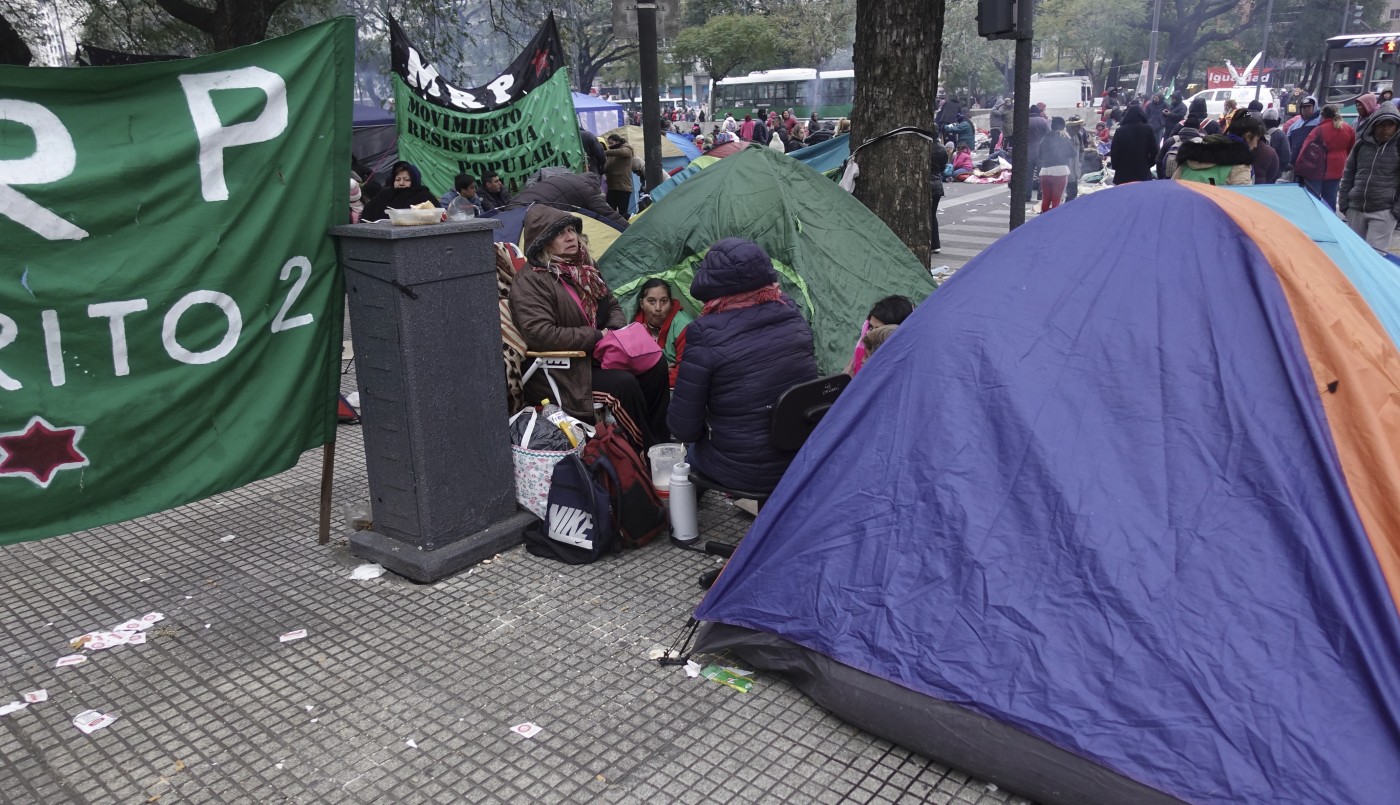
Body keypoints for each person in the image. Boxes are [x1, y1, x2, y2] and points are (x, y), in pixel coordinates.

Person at [509, 205, 669, 445]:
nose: (571, 237)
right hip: (563, 370)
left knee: (656, 365)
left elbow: (612, 305)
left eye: (572, 230)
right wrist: (596, 336)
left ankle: (660, 444)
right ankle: (644, 450)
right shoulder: (532, 281)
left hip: (598, 356)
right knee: (622, 386)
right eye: (560, 233)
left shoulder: (585, 267)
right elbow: (539, 334)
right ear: (543, 242)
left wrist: (613, 333)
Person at [668, 238, 819, 492]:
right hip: (800, 458)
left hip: (743, 469)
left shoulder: (704, 332)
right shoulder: (792, 313)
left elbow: (684, 428)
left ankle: (683, 530)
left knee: (686, 459)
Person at [1340, 104, 1400, 250]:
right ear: (1374, 125)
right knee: (1354, 253)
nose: (1385, 129)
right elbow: (1348, 173)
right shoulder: (1361, 145)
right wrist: (1345, 204)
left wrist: (1396, 211)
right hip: (1355, 208)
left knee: (1375, 257)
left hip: (1383, 211)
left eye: (1390, 125)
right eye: (1381, 125)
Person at [512, 167, 628, 228]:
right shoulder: (585, 189)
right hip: (532, 212)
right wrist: (629, 228)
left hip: (515, 204)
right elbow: (608, 214)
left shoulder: (567, 178)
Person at [1171, 110, 1263, 186]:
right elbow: (1243, 199)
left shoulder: (1191, 155)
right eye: (1256, 140)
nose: (1255, 145)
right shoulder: (1240, 164)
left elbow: (1172, 186)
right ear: (1248, 136)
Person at [632, 278, 694, 386]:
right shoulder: (635, 328)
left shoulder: (684, 326)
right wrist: (659, 372)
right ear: (642, 304)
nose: (658, 308)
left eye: (664, 301)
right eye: (651, 301)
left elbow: (688, 370)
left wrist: (653, 380)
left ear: (670, 303)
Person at [1297, 105, 1355, 210]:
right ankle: (1329, 221)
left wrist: (1298, 167)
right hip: (1337, 169)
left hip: (1317, 170)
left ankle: (1313, 222)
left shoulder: (1319, 130)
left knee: (1313, 199)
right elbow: (1351, 148)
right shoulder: (1348, 128)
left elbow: (1305, 149)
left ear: (1322, 115)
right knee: (1330, 200)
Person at [845, 295, 914, 376]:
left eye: (878, 329)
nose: (869, 334)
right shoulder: (863, 350)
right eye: (870, 327)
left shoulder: (900, 368)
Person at [360, 161, 438, 222]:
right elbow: (368, 213)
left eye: (406, 180)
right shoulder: (385, 195)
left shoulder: (424, 196)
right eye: (397, 179)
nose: (401, 183)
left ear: (414, 180)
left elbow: (438, 217)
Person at [1109, 104, 1158, 184]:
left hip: (1123, 172)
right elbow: (1154, 151)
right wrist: (1148, 164)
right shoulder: (1148, 129)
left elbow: (1114, 152)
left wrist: (1116, 166)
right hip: (1142, 171)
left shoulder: (1120, 131)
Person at [1038, 117, 1077, 211]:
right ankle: (1053, 222)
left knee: (1046, 199)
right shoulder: (1064, 137)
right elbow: (1073, 154)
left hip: (1045, 171)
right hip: (1061, 171)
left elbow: (1040, 155)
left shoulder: (1045, 137)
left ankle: (1044, 219)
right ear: (1063, 126)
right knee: (1056, 199)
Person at [603, 133, 634, 218]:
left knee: (623, 213)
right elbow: (606, 168)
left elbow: (623, 152)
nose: (610, 145)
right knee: (609, 213)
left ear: (618, 141)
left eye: (611, 143)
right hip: (612, 187)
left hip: (623, 188)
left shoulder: (627, 149)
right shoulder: (611, 155)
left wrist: (605, 152)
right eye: (608, 144)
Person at [1026, 104, 1051, 202]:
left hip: (1028, 151)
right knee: (1042, 174)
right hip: (1041, 152)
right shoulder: (1044, 121)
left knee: (1028, 175)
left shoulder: (1025, 121)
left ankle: (1027, 195)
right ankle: (1041, 195)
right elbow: (1049, 136)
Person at [1262, 109, 1291, 179]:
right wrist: (1279, 170)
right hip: (1274, 171)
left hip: (1259, 170)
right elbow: (1286, 155)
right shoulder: (1280, 134)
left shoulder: (1258, 131)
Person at [930, 142, 948, 254]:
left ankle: (933, 243)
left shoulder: (925, 145)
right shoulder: (941, 149)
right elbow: (942, 167)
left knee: (929, 215)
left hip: (927, 183)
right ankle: (935, 244)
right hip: (937, 184)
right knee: (932, 215)